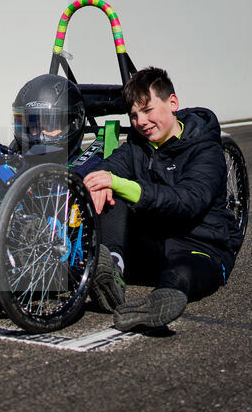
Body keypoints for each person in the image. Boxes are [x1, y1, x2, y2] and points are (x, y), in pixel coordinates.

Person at [83, 67, 243, 331]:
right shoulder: (137, 146)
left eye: (147, 111)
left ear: (173, 103)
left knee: (180, 273)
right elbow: (106, 168)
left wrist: (120, 183)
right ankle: (111, 273)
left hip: (201, 244)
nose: (140, 122)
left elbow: (188, 201)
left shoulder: (205, 149)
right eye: (134, 116)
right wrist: (101, 181)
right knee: (108, 190)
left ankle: (158, 304)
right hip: (152, 242)